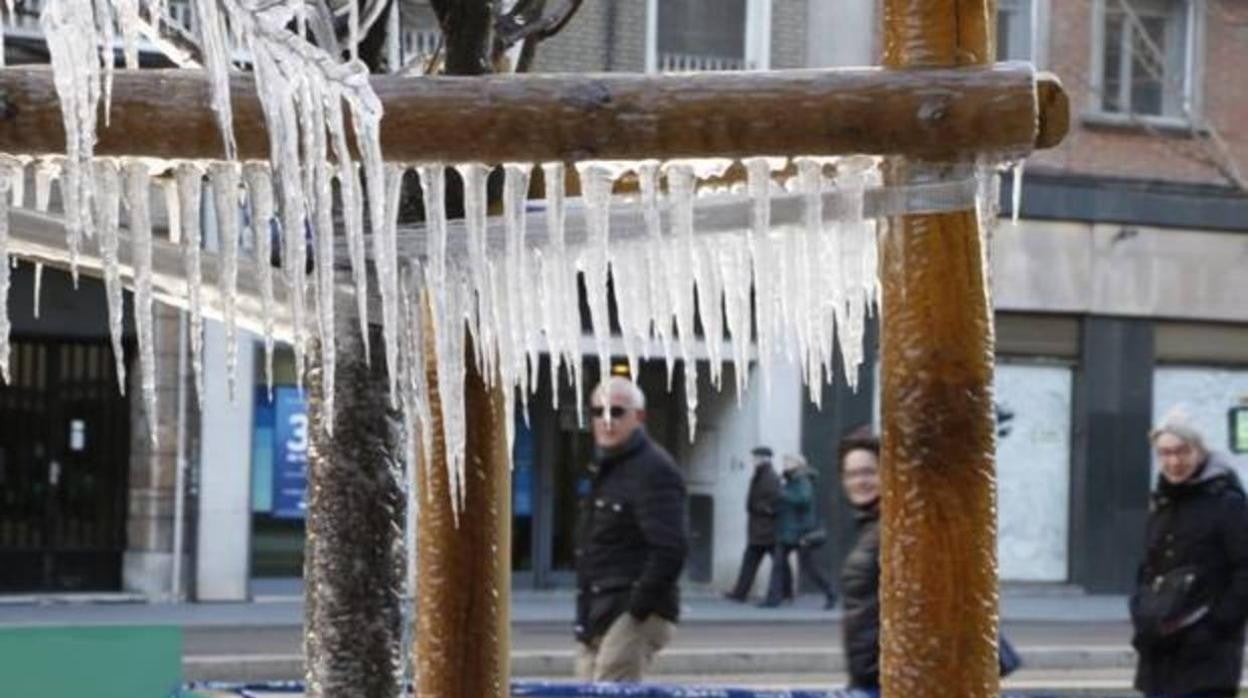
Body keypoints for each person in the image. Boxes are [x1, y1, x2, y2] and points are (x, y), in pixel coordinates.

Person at [573, 376, 688, 682]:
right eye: (598, 412)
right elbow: (591, 547)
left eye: (617, 412)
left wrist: (637, 609)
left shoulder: (654, 469)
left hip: (632, 610)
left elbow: (670, 549)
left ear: (639, 417)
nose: (606, 420)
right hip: (599, 608)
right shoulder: (604, 467)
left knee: (611, 682)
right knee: (586, 685)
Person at [1131, 411, 1248, 698]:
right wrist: (1139, 608)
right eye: (1165, 453)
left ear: (1199, 451)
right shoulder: (1162, 502)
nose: (1174, 462)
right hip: (1159, 650)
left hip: (1206, 658)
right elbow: (1149, 566)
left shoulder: (1227, 503)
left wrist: (1219, 624)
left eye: (1182, 451)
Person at [836, 431, 884, 696]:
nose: (859, 481)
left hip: (887, 678)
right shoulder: (872, 527)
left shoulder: (899, 527)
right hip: (869, 676)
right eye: (851, 474)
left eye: (868, 472)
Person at [760, 453, 837, 609]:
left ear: (798, 464)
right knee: (778, 565)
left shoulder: (802, 480)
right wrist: (774, 510)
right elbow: (789, 505)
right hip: (787, 530)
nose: (785, 463)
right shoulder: (790, 480)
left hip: (801, 532)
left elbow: (803, 499)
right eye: (784, 461)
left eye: (788, 461)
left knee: (810, 567)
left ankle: (831, 592)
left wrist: (783, 495)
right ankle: (774, 599)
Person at [723, 446, 782, 603]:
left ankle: (742, 593)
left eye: (756, 457)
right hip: (759, 528)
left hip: (766, 529)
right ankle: (740, 593)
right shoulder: (760, 475)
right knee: (751, 561)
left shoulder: (770, 477)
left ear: (764, 459)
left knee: (775, 562)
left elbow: (775, 502)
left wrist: (763, 509)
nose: (753, 460)